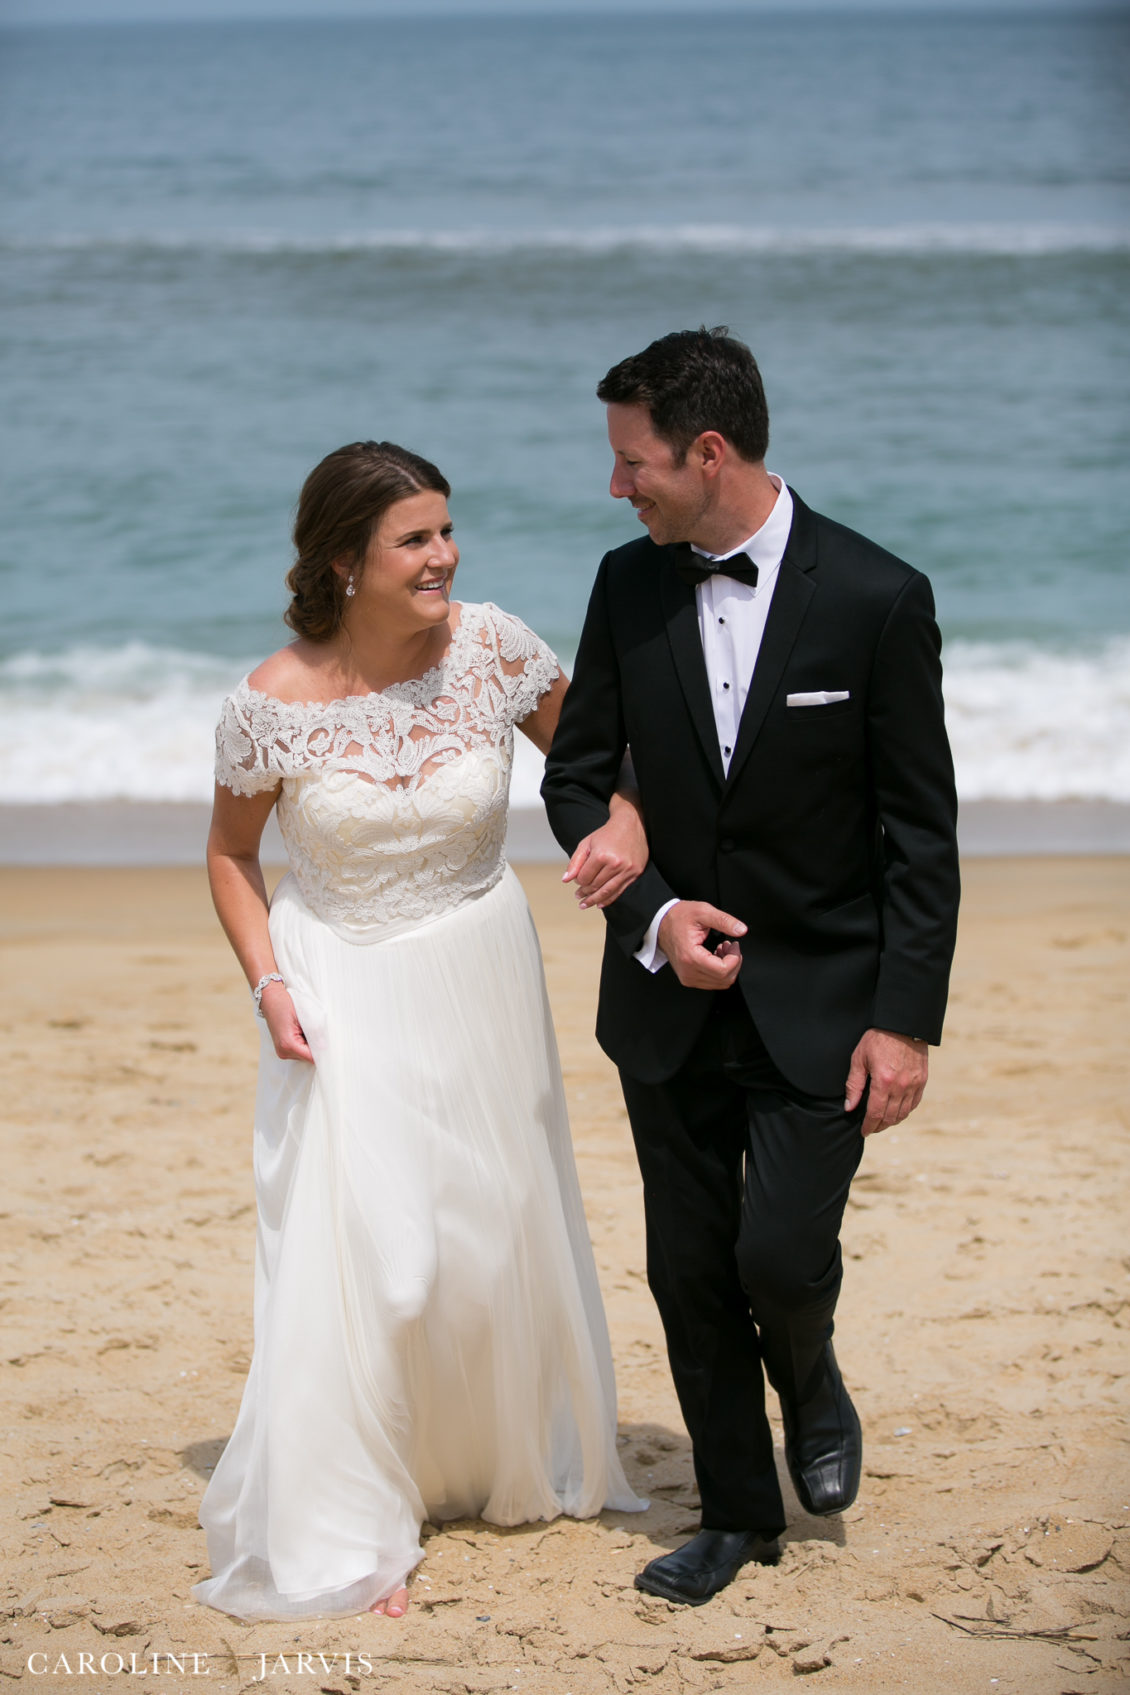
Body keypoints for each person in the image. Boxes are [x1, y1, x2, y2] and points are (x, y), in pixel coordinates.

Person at [541, 328, 960, 1607]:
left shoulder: (878, 596)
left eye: (632, 462)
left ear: (705, 451)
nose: (618, 487)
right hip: (665, 997)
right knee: (686, 1267)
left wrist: (903, 1023)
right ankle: (733, 1514)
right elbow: (573, 776)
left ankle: (812, 1372)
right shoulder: (626, 587)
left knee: (777, 1256)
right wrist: (656, 912)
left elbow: (916, 835)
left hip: (823, 1005)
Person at [197, 439, 647, 1622]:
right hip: (336, 979)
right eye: (414, 539)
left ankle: (468, 1462)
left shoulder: (496, 649)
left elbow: (600, 762)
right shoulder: (269, 704)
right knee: (376, 1258)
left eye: (446, 531)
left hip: (480, 959)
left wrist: (630, 827)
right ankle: (351, 1514)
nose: (444, 556)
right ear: (345, 560)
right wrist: (266, 984)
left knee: (484, 1232)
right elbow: (232, 856)